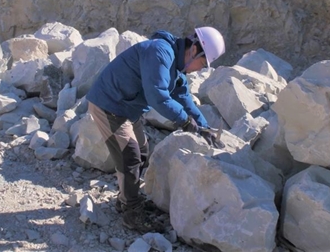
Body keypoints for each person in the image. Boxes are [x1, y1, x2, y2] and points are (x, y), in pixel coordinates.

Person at [86, 26, 226, 233]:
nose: (201, 70)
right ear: (194, 50)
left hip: (126, 108)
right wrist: (186, 122)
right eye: (203, 64)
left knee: (142, 150)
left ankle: (127, 199)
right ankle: (131, 212)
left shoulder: (176, 67)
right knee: (130, 155)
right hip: (109, 104)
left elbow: (184, 99)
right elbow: (158, 97)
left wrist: (204, 128)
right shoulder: (160, 52)